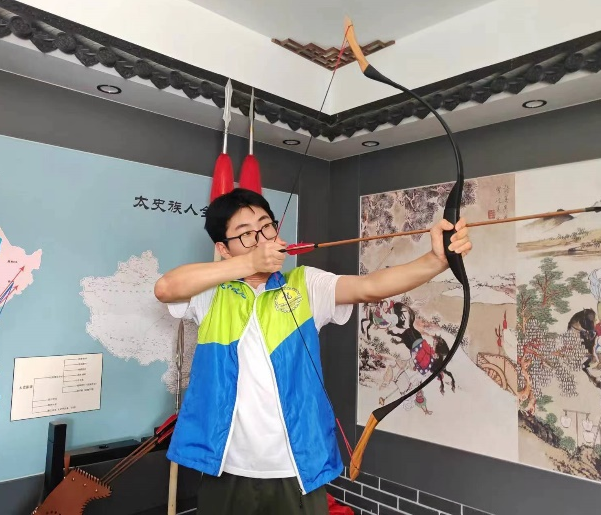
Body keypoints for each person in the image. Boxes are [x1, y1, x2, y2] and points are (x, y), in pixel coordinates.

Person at [153, 188, 472, 515]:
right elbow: (165, 288)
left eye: (266, 226)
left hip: (297, 466)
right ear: (223, 248)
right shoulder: (211, 294)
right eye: (246, 234)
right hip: (225, 464)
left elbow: (371, 287)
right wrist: (248, 263)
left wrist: (436, 260)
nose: (262, 239)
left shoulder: (304, 283)